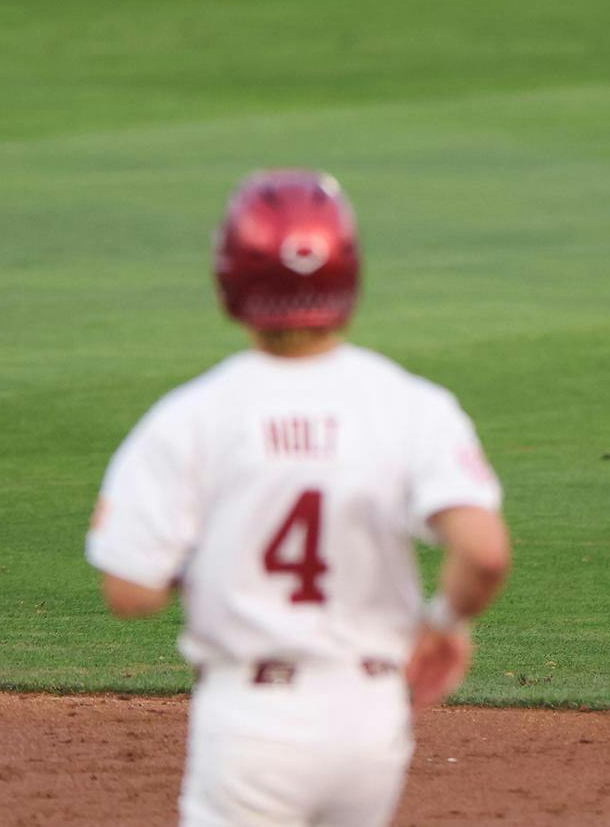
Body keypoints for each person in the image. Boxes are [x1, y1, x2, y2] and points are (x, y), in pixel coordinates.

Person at [86, 170, 510, 823]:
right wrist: (445, 623)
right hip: (370, 719)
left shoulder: (192, 415)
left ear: (231, 277)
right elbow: (484, 551)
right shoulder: (411, 404)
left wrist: (220, 553)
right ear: (348, 274)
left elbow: (130, 590)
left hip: (251, 721)